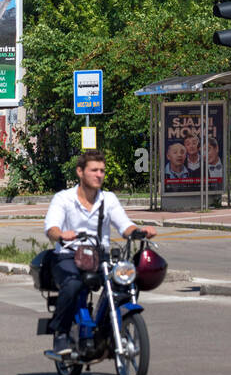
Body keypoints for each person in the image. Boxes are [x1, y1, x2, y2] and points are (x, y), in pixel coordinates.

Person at [43, 151, 156, 355]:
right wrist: (61, 234)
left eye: (102, 171)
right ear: (80, 172)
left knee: (127, 280)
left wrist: (140, 231)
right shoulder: (64, 198)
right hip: (69, 255)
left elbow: (125, 226)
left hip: (99, 256)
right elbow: (51, 228)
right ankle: (60, 333)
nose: (99, 175)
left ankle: (110, 328)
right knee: (73, 284)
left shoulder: (108, 199)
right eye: (94, 170)